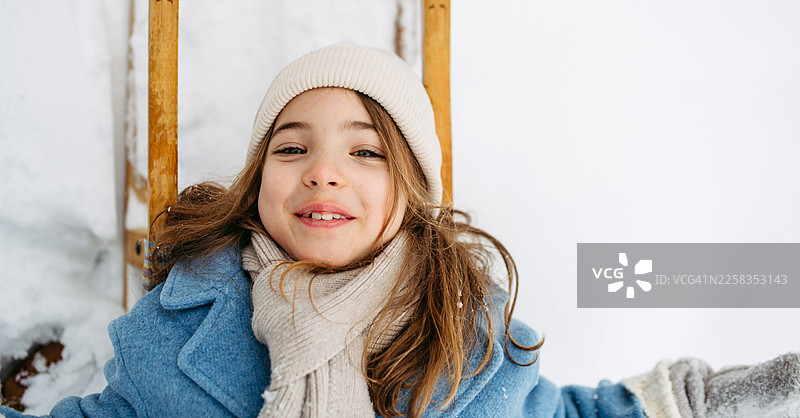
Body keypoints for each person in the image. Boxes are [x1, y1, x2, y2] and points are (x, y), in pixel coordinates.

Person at [1, 43, 798, 418]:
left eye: (364, 151)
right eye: (292, 148)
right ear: (258, 185)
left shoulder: (466, 343)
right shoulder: (174, 338)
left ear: (412, 193)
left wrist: (705, 400)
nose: (323, 171)